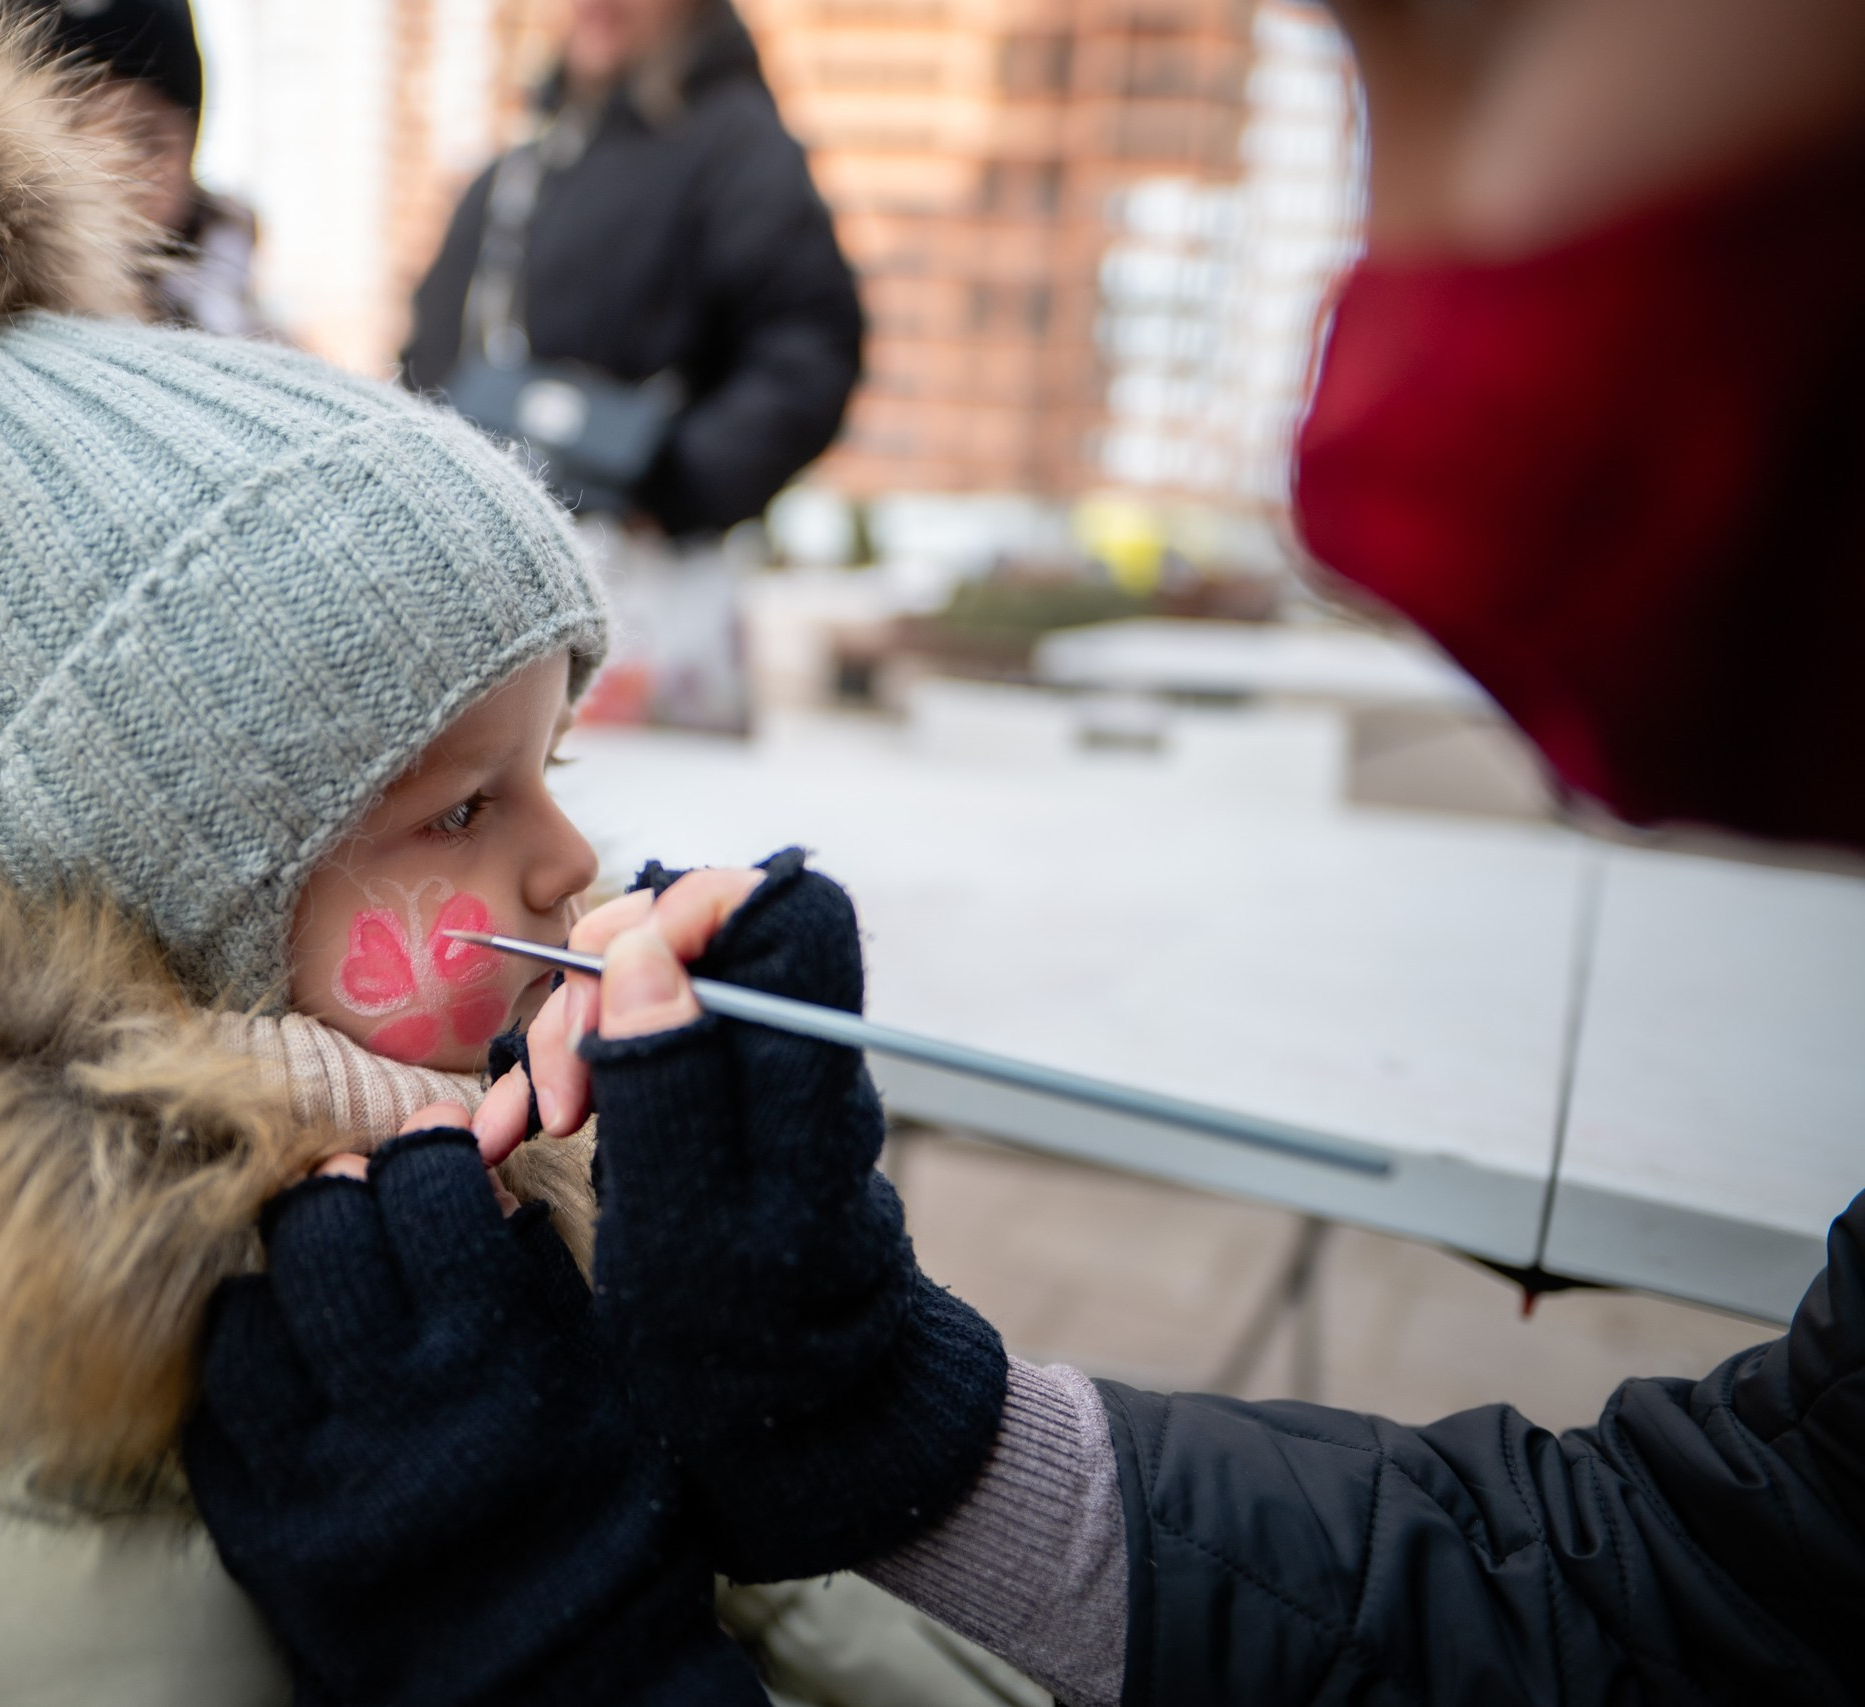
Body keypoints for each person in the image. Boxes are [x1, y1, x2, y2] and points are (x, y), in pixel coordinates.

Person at [182, 0, 1865, 1700]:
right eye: (464, 804)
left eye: (1458, 40)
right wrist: (895, 1422)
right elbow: (1730, 1579)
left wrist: (554, 1659)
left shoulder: (730, 163)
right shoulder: (519, 168)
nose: (1376, 303)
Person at [0, 7, 1042, 1704]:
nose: (572, 856)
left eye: (549, 766)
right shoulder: (0, 1605)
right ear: (177, 909)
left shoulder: (516, 1211)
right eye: (462, 807)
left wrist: (785, 1343)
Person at [403, 0, 862, 732]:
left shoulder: (740, 150)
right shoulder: (518, 173)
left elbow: (808, 353)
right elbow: (423, 370)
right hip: (486, 610)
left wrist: (667, 485)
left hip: (648, 602)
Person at [10, 0, 269, 337]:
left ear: (190, 156)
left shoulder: (254, 340)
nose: (111, 165)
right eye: (72, 125)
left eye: (147, 140)